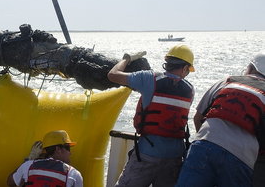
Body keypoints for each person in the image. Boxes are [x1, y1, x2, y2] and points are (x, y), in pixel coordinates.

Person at [108, 45, 195, 187]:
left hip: (147, 154)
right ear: (185, 68)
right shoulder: (190, 90)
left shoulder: (149, 78)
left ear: (167, 62)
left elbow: (113, 75)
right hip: (174, 158)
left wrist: (126, 59)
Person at [175, 54, 265, 187]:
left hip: (203, 146)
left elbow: (198, 117)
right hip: (241, 159)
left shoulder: (227, 81)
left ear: (250, 69)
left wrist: (210, 144)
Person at [7, 130, 83, 187]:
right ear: (58, 149)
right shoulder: (73, 174)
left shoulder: (28, 165)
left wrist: (30, 159)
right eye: (68, 148)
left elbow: (10, 182)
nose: (70, 153)